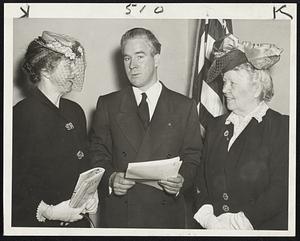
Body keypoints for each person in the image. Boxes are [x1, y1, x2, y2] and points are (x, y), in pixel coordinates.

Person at [89, 27, 202, 228]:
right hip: (121, 217)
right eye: (126, 58)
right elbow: (97, 153)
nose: (132, 65)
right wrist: (111, 178)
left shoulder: (184, 106)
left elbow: (193, 156)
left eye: (140, 56)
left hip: (166, 216)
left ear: (157, 59)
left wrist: (181, 180)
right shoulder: (108, 104)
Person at [193, 34, 289, 230]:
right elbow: (200, 179)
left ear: (256, 88)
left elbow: (282, 189)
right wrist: (209, 219)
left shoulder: (282, 127)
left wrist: (239, 222)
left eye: (232, 83)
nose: (225, 90)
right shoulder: (216, 126)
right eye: (224, 82)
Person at [12, 31, 98, 227]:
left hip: (78, 223)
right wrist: (48, 211)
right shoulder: (22, 114)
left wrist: (91, 194)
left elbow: (84, 165)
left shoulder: (75, 111)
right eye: (68, 65)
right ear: (45, 70)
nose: (75, 72)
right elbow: (12, 182)